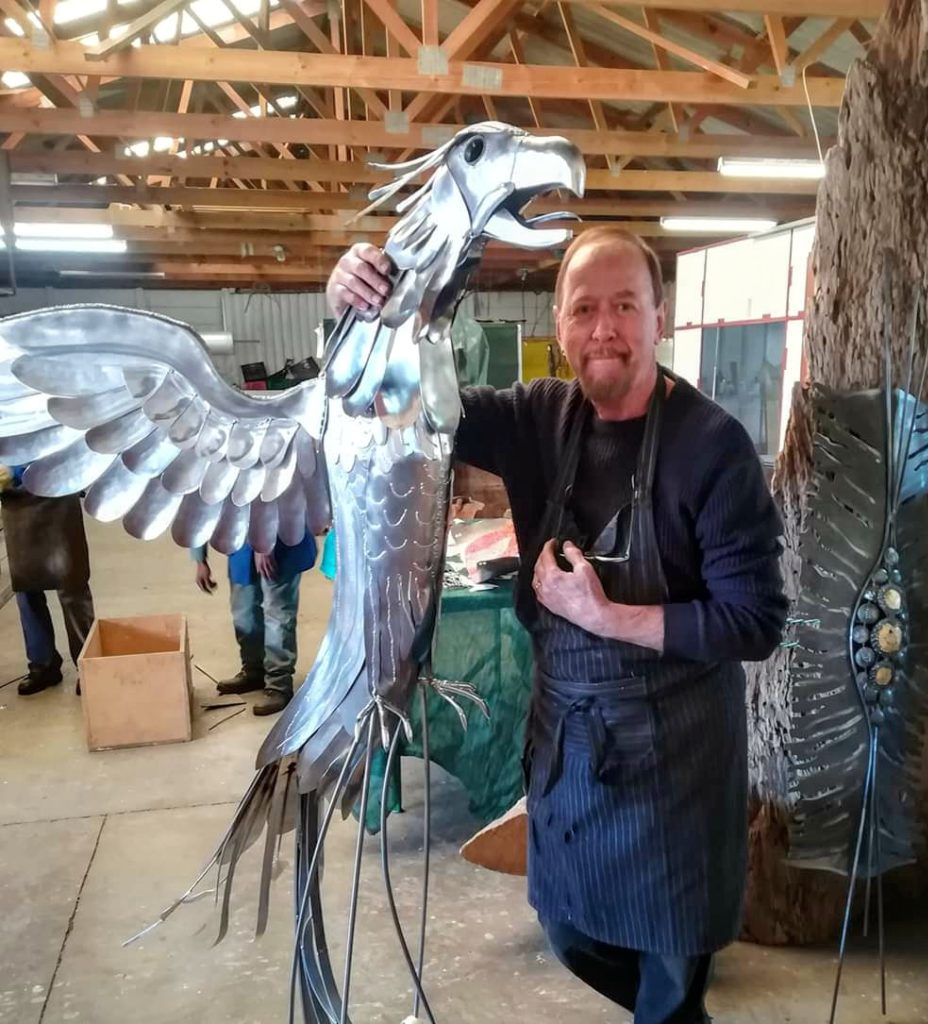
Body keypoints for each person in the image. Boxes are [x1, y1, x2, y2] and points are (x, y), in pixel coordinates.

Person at [327, 227, 788, 1024]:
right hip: (571, 742)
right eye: (585, 309)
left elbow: (752, 622)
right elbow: (408, 405)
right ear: (559, 324)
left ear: (658, 318)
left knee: (670, 981)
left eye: (624, 307)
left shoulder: (712, 447)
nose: (604, 328)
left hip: (673, 762)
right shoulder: (538, 416)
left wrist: (606, 617)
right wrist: (357, 312)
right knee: (568, 928)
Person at [191, 530, 317, 716]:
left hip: (281, 538)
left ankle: (279, 684)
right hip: (242, 543)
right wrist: (200, 559)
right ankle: (254, 670)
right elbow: (198, 509)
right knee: (244, 615)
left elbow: (277, 501)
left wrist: (264, 545)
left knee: (278, 616)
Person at [0, 464, 96, 695]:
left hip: (57, 492)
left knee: (71, 585)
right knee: (26, 588)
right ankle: (43, 665)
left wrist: (20, 470)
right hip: (16, 502)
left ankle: (88, 665)